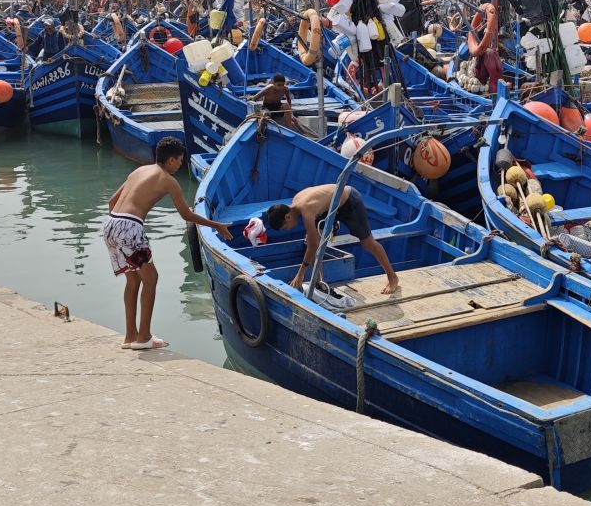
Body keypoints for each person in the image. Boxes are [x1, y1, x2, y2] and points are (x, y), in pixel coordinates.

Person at [102, 137, 233, 350]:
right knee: (151, 279)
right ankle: (144, 338)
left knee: (133, 280)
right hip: (129, 227)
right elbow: (186, 215)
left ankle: (130, 336)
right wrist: (216, 225)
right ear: (171, 160)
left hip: (110, 224)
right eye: (180, 160)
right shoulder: (168, 180)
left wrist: (119, 232)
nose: (181, 164)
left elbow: (111, 202)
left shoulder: (139, 171)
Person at [266, 184, 400, 295]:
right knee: (311, 239)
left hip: (349, 200)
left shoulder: (306, 211)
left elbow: (313, 246)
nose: (288, 229)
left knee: (367, 243)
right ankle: (320, 284)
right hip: (330, 207)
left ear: (288, 217)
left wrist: (300, 274)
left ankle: (392, 277)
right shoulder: (296, 201)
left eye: (285, 227)